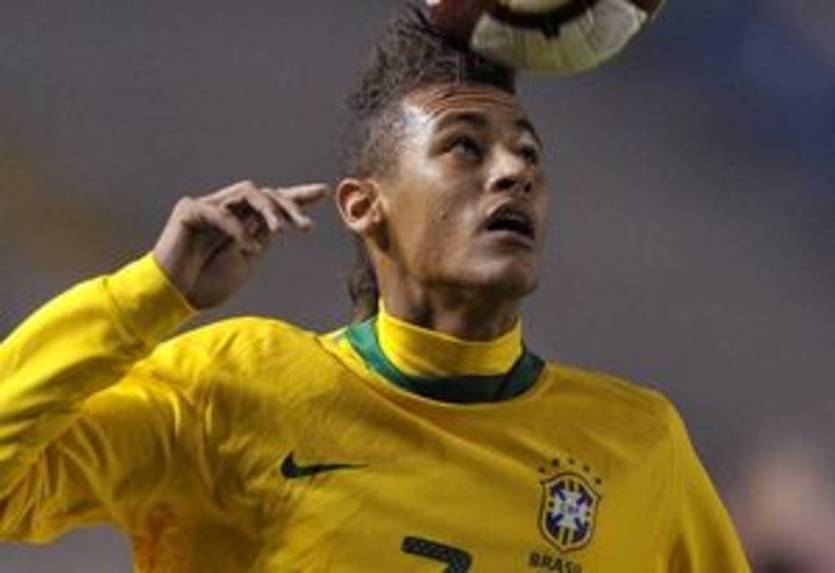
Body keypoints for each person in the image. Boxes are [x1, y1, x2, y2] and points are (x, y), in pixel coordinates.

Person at [0, 5, 750, 572]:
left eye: (529, 155)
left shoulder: (636, 445)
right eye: (465, 147)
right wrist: (149, 293)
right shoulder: (233, 391)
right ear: (364, 206)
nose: (514, 172)